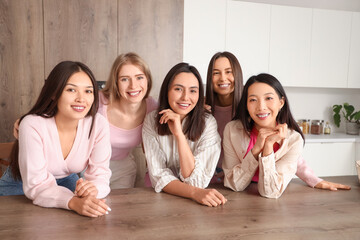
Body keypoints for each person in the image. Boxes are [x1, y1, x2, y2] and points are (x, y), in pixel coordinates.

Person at [205, 51, 351, 191]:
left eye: (228, 72)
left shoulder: (254, 108)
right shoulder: (204, 109)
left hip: (247, 180)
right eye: (216, 73)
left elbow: (285, 149)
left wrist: (314, 179)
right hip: (215, 178)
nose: (223, 78)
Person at [0, 61, 112, 217]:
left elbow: (101, 175)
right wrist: (72, 202)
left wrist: (94, 188)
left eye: (88, 91)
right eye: (71, 89)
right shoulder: (32, 124)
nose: (81, 98)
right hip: (22, 184)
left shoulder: (98, 124)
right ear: (54, 93)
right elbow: (37, 185)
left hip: (67, 181)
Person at [142, 62, 227, 207]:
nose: (185, 97)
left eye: (193, 91)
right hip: (159, 198)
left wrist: (179, 135)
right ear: (167, 91)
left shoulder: (208, 123)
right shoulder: (151, 120)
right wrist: (194, 193)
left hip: (199, 200)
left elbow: (196, 181)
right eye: (178, 89)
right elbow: (159, 176)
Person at [222, 73, 303, 198]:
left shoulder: (294, 140)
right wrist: (256, 149)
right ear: (246, 105)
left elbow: (270, 192)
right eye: (253, 100)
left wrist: (268, 147)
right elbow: (234, 184)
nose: (261, 107)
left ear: (281, 103)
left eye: (269, 98)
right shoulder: (232, 130)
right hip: (236, 200)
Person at [99, 52, 157, 188]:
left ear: (147, 79)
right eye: (125, 79)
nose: (133, 86)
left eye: (139, 77)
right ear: (116, 82)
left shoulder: (153, 107)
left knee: (122, 208)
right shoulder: (98, 102)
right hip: (90, 166)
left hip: (123, 168)